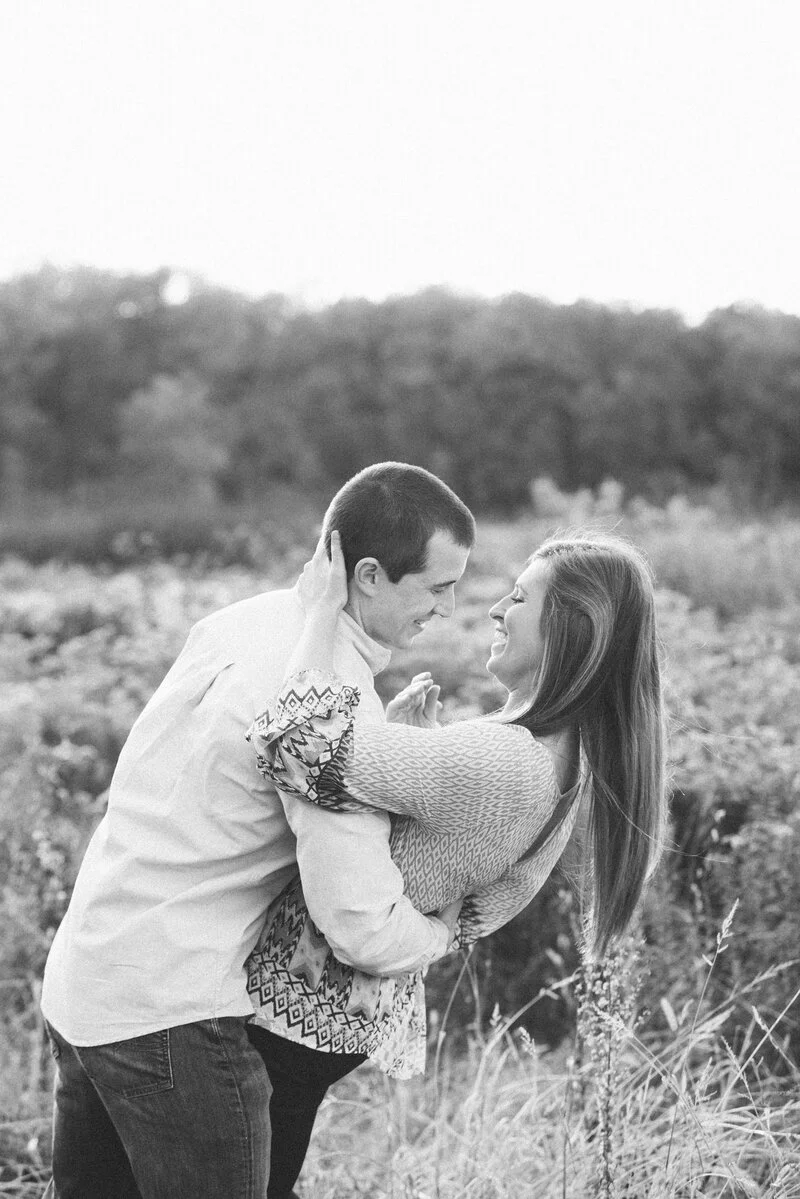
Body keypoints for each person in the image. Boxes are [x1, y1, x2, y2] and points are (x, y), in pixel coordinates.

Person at [39, 462, 475, 1199]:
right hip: (172, 1012)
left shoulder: (242, 620)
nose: (450, 608)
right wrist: (444, 932)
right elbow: (360, 926)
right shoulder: (331, 706)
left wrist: (381, 756)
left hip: (86, 976)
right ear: (368, 573)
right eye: (438, 586)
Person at [245, 529, 668, 1193]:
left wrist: (324, 615)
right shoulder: (565, 767)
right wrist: (418, 775)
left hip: (284, 1016)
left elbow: (292, 744)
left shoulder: (501, 760)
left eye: (521, 597)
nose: (498, 609)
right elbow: (475, 903)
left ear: (570, 628)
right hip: (336, 1023)